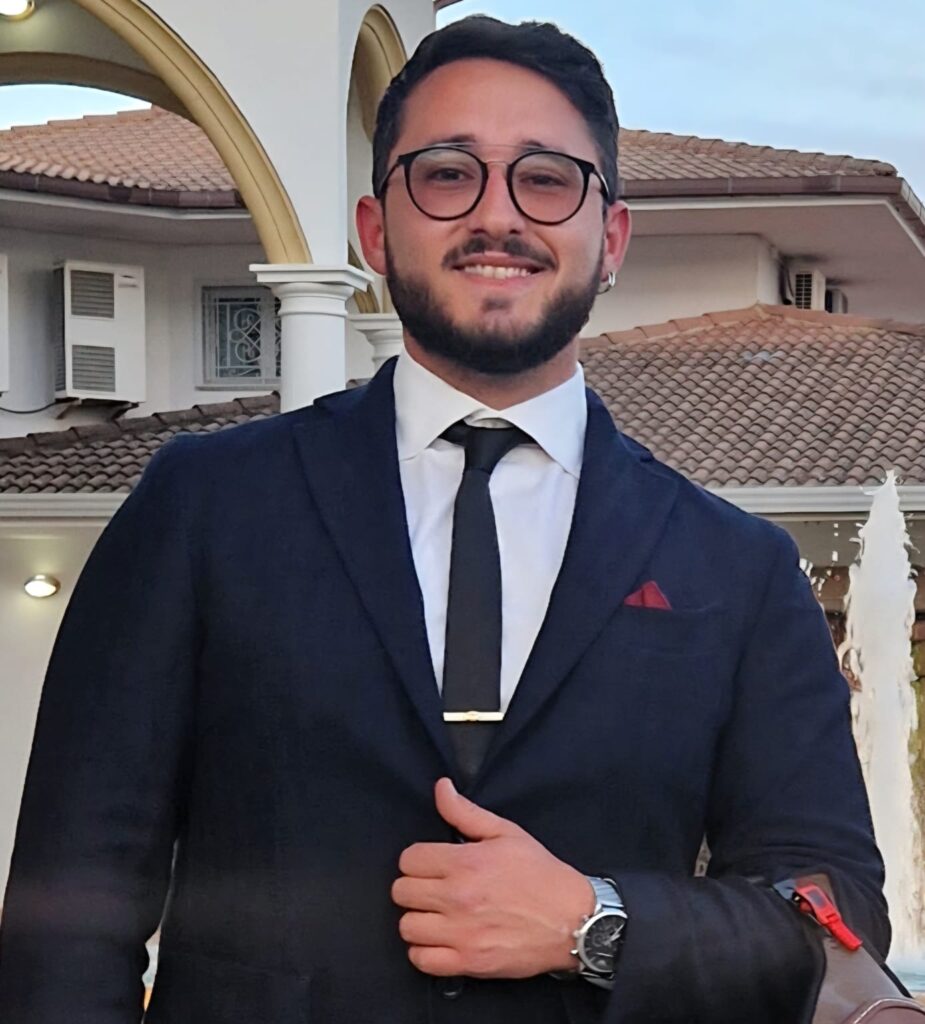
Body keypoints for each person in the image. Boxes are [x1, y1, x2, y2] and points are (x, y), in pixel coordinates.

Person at [0, 15, 888, 1024]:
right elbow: (69, 914)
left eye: (545, 178)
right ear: (375, 231)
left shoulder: (736, 569)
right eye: (447, 174)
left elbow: (832, 917)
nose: (496, 215)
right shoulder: (202, 508)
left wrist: (597, 922)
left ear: (610, 239)